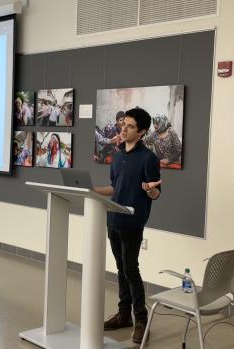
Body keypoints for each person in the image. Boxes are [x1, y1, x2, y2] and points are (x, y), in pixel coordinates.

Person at [94, 107, 162, 344]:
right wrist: (90, 190)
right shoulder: (118, 154)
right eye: (124, 124)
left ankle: (140, 319)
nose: (123, 128)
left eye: (130, 126)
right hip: (113, 218)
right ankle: (124, 315)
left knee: (131, 269)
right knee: (121, 268)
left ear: (142, 132)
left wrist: (152, 190)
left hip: (133, 221)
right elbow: (115, 188)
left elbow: (155, 193)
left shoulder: (149, 158)